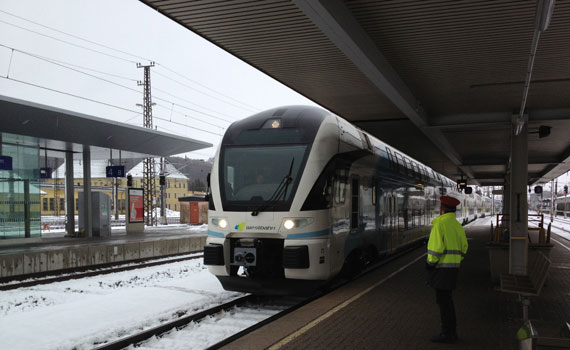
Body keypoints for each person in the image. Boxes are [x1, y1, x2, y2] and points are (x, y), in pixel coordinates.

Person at [426, 195, 468, 343]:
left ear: (442, 209)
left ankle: (447, 334)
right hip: (453, 269)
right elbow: (464, 248)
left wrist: (430, 263)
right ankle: (451, 332)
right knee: (447, 301)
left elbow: (435, 251)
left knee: (444, 303)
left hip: (441, 269)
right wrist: (457, 260)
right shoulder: (457, 225)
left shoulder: (440, 225)